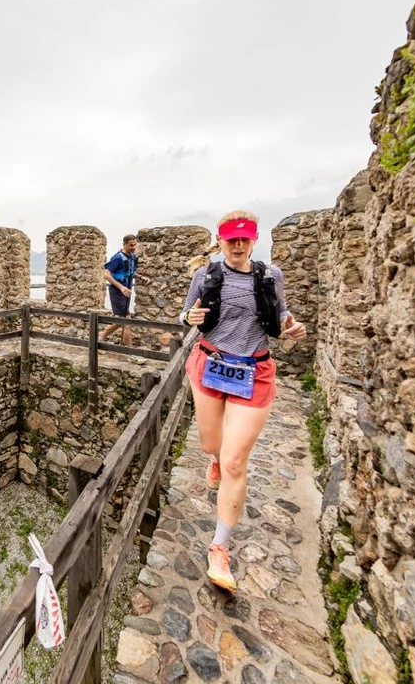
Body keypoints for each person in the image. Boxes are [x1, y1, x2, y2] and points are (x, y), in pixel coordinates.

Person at [179, 211, 307, 590]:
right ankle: (215, 459)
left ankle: (219, 547)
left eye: (245, 239)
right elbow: (186, 313)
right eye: (231, 239)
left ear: (254, 240)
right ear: (220, 241)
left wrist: (290, 325)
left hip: (255, 371)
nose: (238, 245)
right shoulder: (205, 275)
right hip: (210, 364)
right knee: (210, 444)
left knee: (237, 461)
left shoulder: (270, 276)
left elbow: (280, 310)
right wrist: (191, 316)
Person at [101, 234, 151, 347]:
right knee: (127, 322)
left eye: (134, 245)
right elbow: (106, 275)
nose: (133, 247)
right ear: (124, 244)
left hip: (126, 292)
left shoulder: (132, 257)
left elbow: (129, 273)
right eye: (130, 245)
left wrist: (141, 278)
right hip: (117, 291)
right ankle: (130, 352)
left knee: (121, 321)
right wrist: (121, 287)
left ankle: (100, 337)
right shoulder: (117, 258)